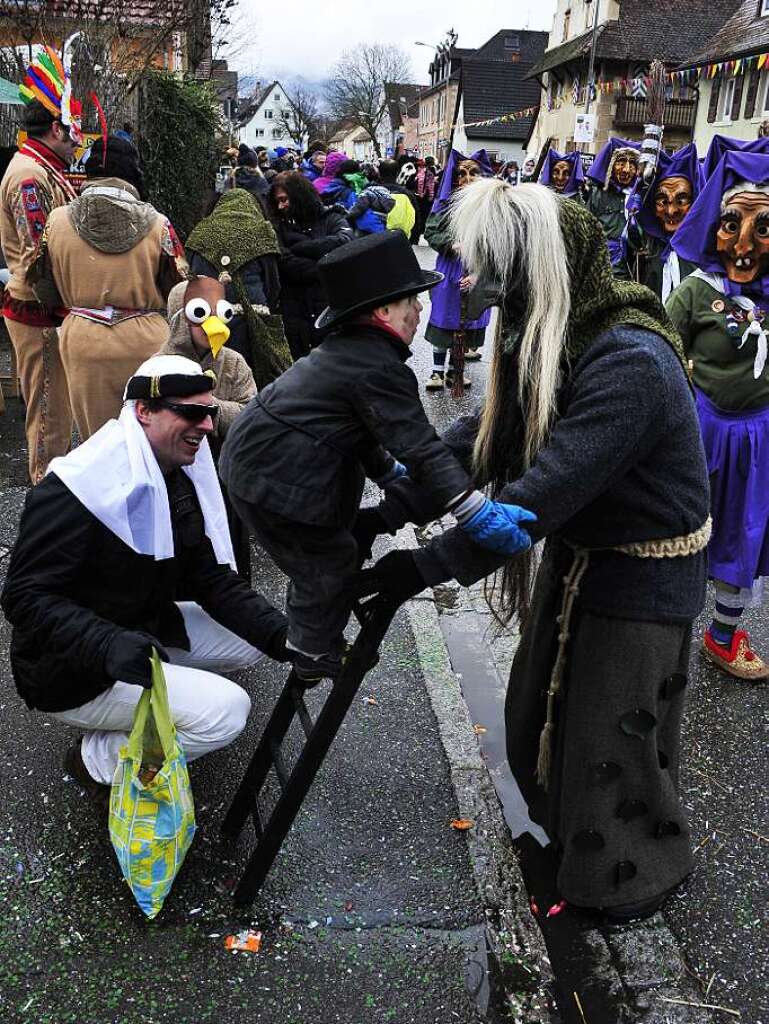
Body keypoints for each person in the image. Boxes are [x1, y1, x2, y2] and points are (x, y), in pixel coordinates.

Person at [355, 180, 710, 922]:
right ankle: (569, 842)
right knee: (535, 717)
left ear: (528, 268)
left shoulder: (630, 361)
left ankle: (630, 880)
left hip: (641, 575)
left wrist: (419, 567)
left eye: (482, 265)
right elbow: (482, 443)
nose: (466, 282)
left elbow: (535, 497)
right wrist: (386, 511)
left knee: (608, 741)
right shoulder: (544, 338)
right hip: (585, 556)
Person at [219, 230, 535, 683]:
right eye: (413, 302)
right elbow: (422, 447)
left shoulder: (350, 351)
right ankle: (309, 653)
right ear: (384, 311)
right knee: (328, 562)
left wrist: (389, 473)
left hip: (256, 466)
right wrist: (474, 511)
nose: (422, 310)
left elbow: (359, 429)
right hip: (277, 481)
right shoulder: (377, 367)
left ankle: (315, 635)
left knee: (325, 555)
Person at [0, 355, 290, 798]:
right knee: (227, 712)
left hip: (140, 626)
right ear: (144, 411)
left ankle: (161, 696)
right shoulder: (78, 488)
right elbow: (24, 595)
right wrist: (108, 644)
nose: (208, 426)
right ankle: (95, 760)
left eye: (209, 412)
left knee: (255, 640)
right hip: (72, 669)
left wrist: (284, 636)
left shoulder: (175, 473)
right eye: (191, 412)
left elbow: (209, 577)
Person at [666, 150, 769, 680]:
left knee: (745, 535)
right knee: (683, 529)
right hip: (702, 431)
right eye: (733, 224)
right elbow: (658, 356)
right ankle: (664, 629)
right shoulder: (696, 292)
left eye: (765, 226)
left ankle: (722, 634)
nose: (745, 244)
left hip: (762, 439)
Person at [31, 135, 185, 439]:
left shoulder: (56, 222)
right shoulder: (158, 223)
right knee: (149, 439)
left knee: (98, 441)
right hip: (146, 342)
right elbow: (177, 288)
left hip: (84, 339)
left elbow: (42, 287)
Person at [0, 50, 81, 482]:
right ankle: (45, 503)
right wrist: (71, 304)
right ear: (55, 128)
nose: (77, 141)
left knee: (56, 410)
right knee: (50, 416)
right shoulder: (31, 176)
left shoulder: (44, 166)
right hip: (40, 313)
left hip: (46, 311)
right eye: (73, 132)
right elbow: (37, 258)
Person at [160, 279, 257, 579]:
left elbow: (252, 416)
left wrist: (211, 407)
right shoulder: (161, 366)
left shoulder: (234, 363)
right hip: (177, 482)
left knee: (229, 548)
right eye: (201, 315)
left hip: (224, 473)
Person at [184, 187, 291, 388]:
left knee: (216, 378)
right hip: (255, 320)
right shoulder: (262, 231)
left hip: (210, 321)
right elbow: (273, 283)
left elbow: (191, 280)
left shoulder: (200, 233)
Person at [424, 149, 493, 391]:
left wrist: (477, 274)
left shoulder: (490, 209)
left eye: (474, 173)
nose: (468, 179)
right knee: (445, 319)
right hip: (450, 270)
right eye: (462, 174)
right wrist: (451, 244)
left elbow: (497, 244)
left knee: (468, 324)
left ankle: (456, 371)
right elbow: (430, 231)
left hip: (478, 272)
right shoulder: (444, 205)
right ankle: (436, 372)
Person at [267, 171, 353, 358]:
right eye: (278, 201)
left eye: (284, 199)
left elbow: (345, 242)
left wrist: (299, 247)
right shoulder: (278, 228)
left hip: (329, 310)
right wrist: (327, 266)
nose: (281, 206)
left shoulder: (331, 218)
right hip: (295, 314)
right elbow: (286, 263)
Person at [625, 144, 701, 301]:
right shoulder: (644, 244)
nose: (671, 211)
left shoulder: (704, 248)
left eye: (681, 200)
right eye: (663, 201)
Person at [585, 138, 641, 279]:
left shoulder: (639, 196)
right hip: (602, 265)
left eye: (632, 165)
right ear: (611, 165)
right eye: (621, 163)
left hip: (630, 267)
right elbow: (587, 229)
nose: (626, 169)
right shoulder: (598, 194)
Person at [378, 158, 420, 238]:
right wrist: (414, 239)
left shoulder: (370, 191)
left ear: (379, 173)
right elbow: (415, 217)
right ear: (397, 173)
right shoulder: (407, 194)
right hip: (402, 239)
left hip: (375, 240)